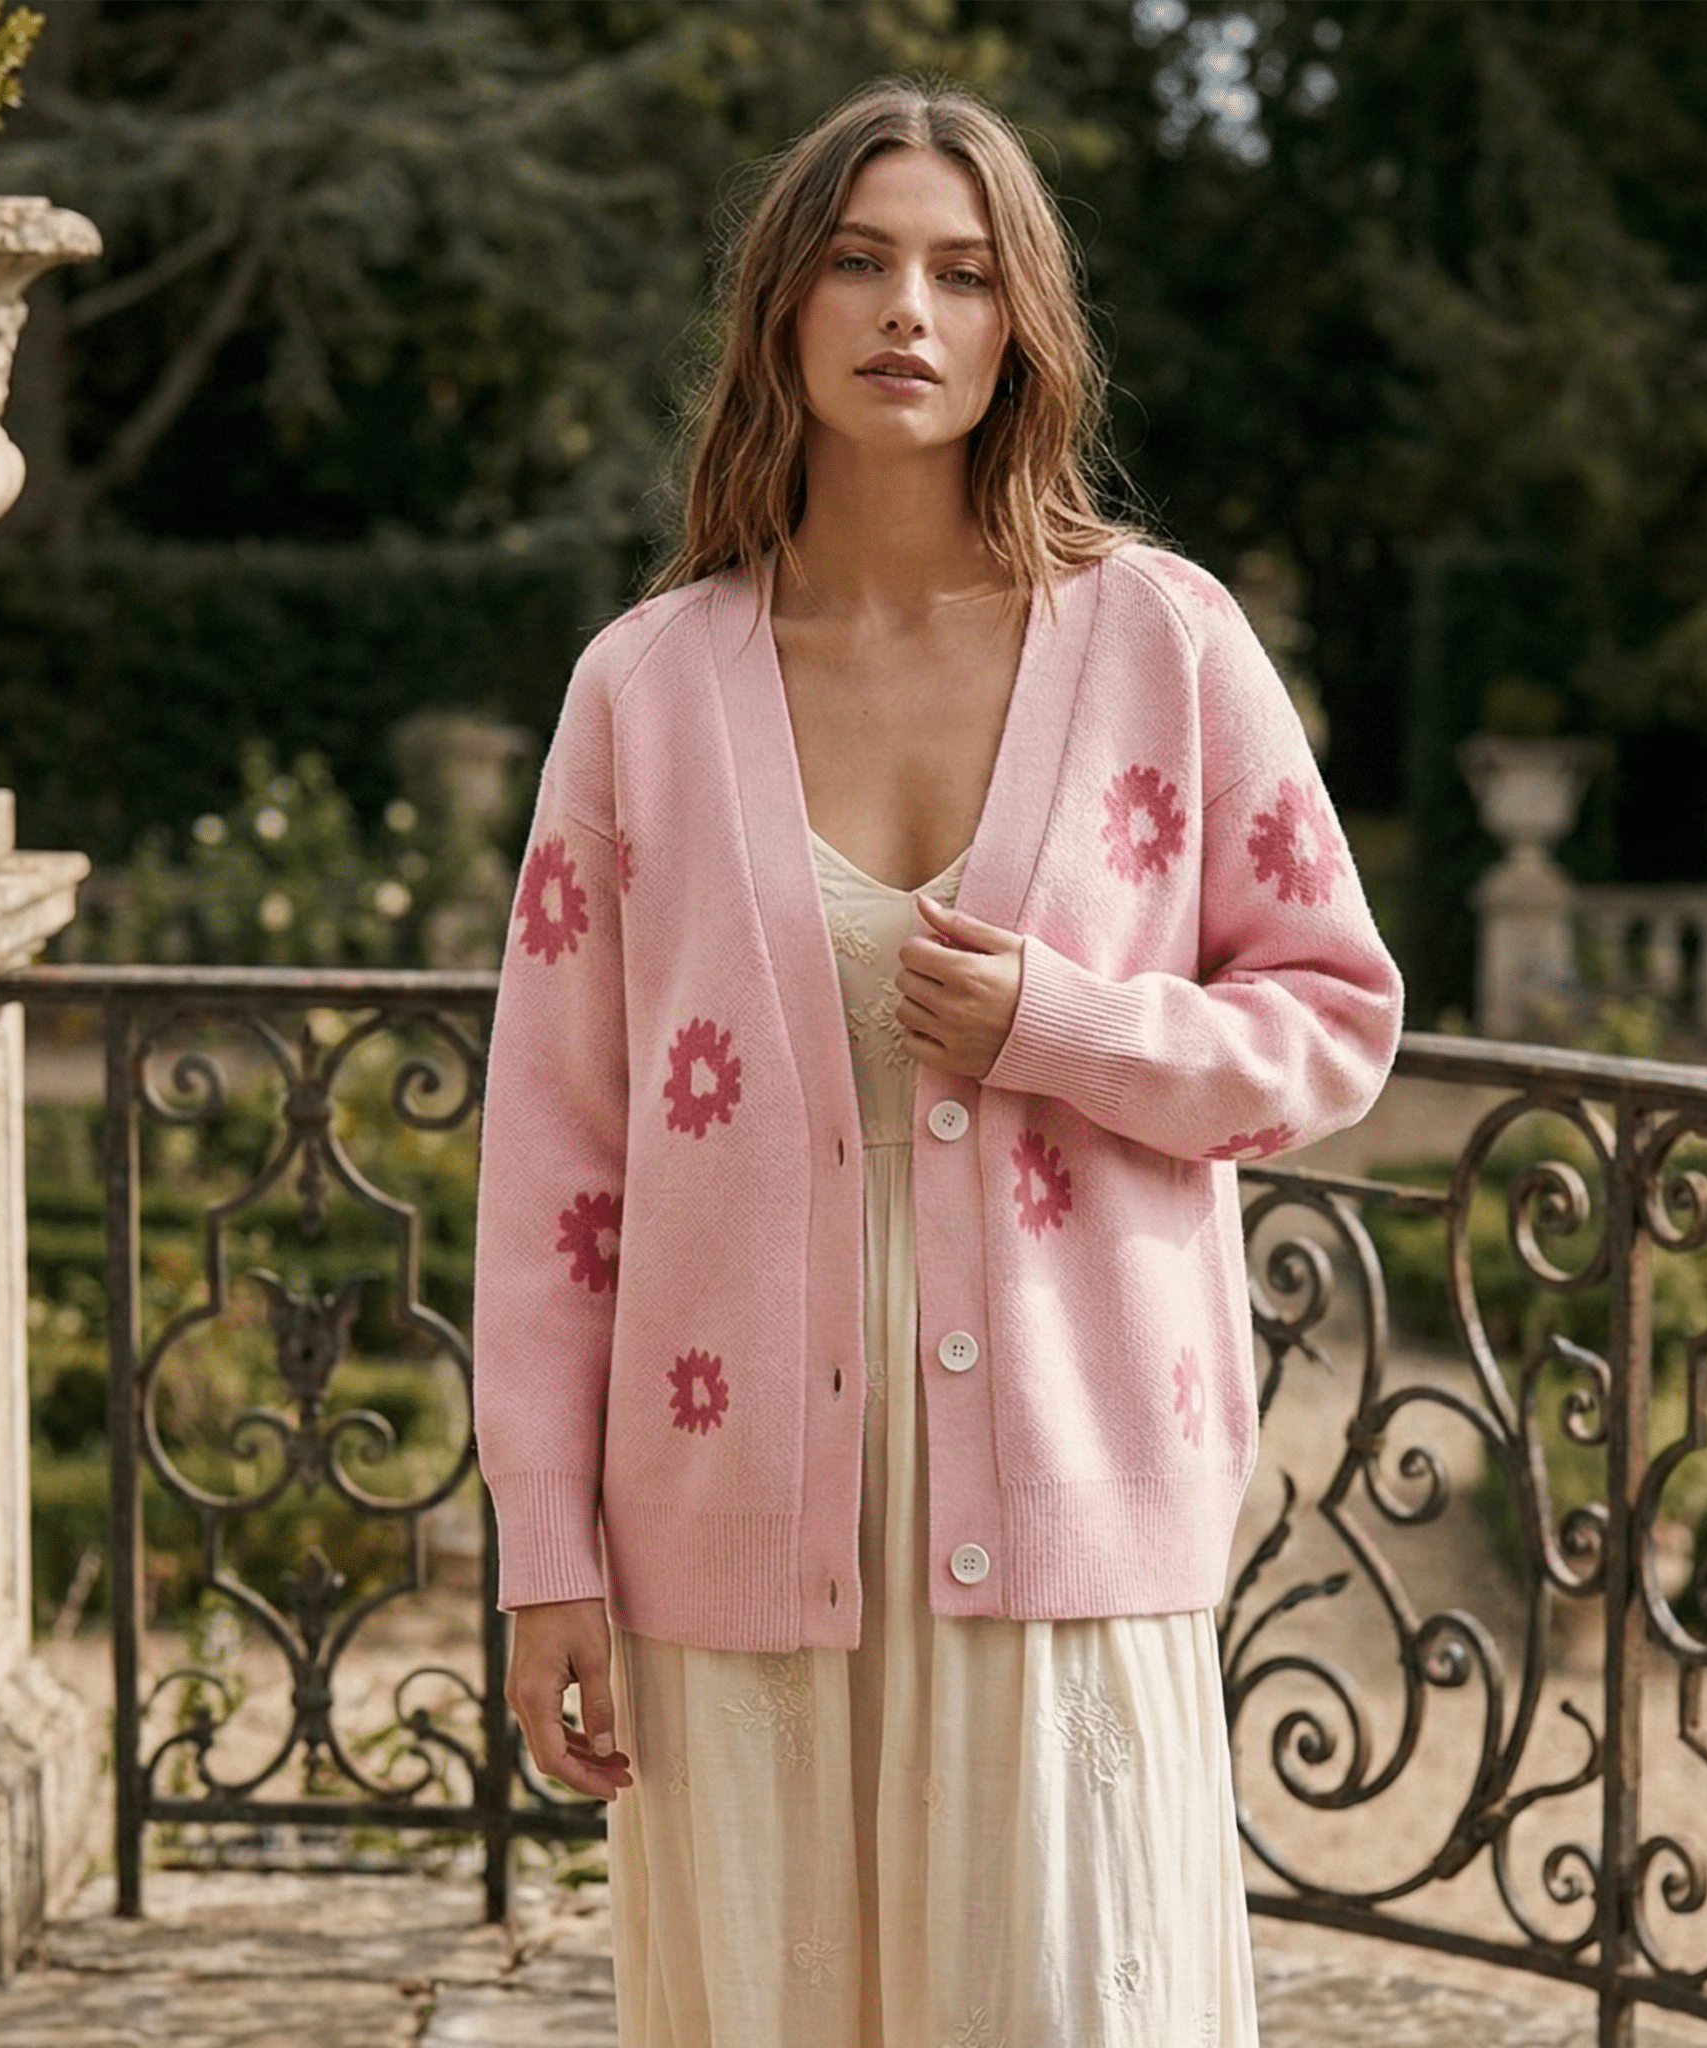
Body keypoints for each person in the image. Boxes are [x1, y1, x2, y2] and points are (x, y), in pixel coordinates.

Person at [473, 77, 1402, 2048]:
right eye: (860, 260)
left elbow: (1333, 1019)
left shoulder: (1162, 642)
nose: (909, 307)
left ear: (1018, 328)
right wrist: (546, 1551)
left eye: (964, 273)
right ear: (783, 310)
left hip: (1068, 1496)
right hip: (732, 1517)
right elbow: (557, 1167)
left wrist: (1069, 1025)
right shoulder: (646, 688)